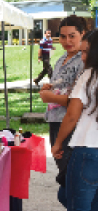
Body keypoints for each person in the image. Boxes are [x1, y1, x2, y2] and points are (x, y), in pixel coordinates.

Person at [52, 29, 98, 211]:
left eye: (86, 51)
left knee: (74, 202)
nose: (83, 56)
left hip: (87, 150)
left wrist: (58, 143)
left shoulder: (88, 75)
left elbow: (72, 115)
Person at [39, 15, 87, 185]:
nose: (67, 41)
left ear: (83, 34)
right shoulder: (60, 59)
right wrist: (49, 88)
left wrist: (52, 97)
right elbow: (60, 85)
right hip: (55, 120)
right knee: (64, 172)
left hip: (72, 124)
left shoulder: (84, 60)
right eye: (63, 36)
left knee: (71, 178)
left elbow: (81, 101)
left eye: (72, 36)